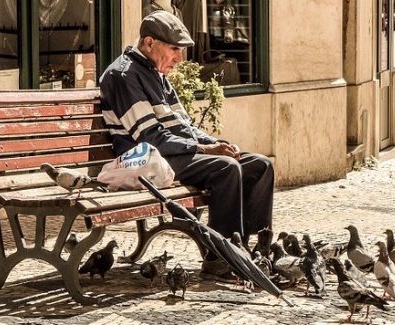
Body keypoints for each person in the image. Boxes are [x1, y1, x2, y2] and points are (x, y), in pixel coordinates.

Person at [99, 10, 275, 281]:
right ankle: (220, 259)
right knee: (225, 168)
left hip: (170, 154)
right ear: (149, 43)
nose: (179, 59)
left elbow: (184, 127)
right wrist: (206, 150)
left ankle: (251, 251)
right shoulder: (124, 76)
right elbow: (148, 137)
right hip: (146, 161)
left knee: (260, 165)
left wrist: (215, 142)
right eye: (174, 50)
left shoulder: (155, 72)